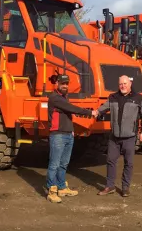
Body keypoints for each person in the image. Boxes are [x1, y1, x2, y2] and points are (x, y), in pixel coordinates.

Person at [46, 74, 97, 203]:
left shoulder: (64, 97)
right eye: (62, 83)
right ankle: (51, 191)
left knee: (63, 164)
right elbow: (72, 109)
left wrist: (71, 131)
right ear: (57, 83)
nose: (65, 86)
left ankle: (62, 187)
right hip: (57, 135)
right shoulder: (54, 98)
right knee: (54, 164)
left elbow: (67, 116)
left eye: (67, 84)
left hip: (68, 135)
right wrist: (90, 112)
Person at [95, 75, 142, 197]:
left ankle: (125, 187)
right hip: (114, 137)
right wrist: (96, 112)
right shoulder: (113, 97)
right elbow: (104, 107)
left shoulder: (138, 98)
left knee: (128, 163)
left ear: (130, 84)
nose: (122, 86)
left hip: (129, 137)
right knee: (110, 161)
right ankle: (110, 186)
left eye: (125, 84)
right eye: (120, 84)